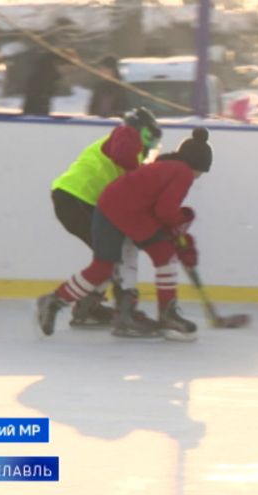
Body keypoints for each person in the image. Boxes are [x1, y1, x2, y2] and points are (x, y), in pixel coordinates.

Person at [36, 127, 213, 338]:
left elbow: (156, 207)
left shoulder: (165, 165)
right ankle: (165, 315)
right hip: (128, 214)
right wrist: (179, 225)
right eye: (201, 172)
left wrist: (177, 232)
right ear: (197, 165)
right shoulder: (183, 172)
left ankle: (54, 301)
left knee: (103, 266)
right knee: (164, 254)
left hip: (107, 209)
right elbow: (165, 211)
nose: (199, 177)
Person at [50, 107, 162, 329]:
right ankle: (123, 311)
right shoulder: (126, 134)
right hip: (77, 199)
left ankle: (89, 307)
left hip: (77, 200)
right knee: (115, 253)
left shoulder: (129, 148)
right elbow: (123, 153)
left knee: (110, 255)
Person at [22, 50, 75, 116]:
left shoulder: (49, 76)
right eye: (68, 69)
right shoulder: (43, 78)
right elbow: (37, 103)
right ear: (58, 64)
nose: (67, 72)